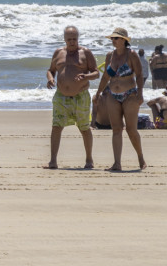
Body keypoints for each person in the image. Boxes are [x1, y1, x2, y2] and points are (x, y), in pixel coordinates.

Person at [45, 26, 98, 169]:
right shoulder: (58, 52)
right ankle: (53, 161)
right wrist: (50, 78)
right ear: (64, 39)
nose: (72, 42)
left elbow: (96, 73)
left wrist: (86, 76)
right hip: (61, 96)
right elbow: (51, 70)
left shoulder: (85, 52)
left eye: (74, 38)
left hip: (81, 96)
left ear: (78, 38)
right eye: (69, 39)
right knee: (56, 127)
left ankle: (89, 160)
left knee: (84, 128)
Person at [97, 27, 147, 171]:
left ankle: (140, 158)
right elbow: (106, 76)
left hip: (130, 95)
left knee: (131, 129)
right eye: (112, 38)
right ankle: (117, 163)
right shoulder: (109, 56)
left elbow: (139, 74)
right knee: (116, 129)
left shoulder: (131, 55)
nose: (113, 41)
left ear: (124, 40)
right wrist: (98, 93)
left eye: (116, 38)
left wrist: (140, 93)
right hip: (112, 95)